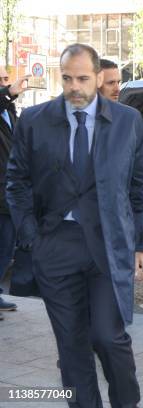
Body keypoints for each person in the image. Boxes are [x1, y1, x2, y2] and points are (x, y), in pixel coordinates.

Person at [6, 43, 143, 408]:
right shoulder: (35, 120)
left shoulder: (126, 121)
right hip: (56, 246)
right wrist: (32, 236)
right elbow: (16, 182)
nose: (75, 87)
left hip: (109, 245)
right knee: (72, 348)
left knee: (108, 337)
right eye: (68, 78)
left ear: (99, 77)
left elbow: (142, 187)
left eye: (84, 79)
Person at [0, 66, 29, 319]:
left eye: (5, 78)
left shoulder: (9, 108)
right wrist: (8, 92)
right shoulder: (4, 101)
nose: (4, 83)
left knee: (6, 246)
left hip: (9, 190)